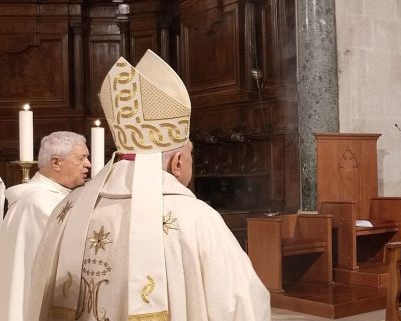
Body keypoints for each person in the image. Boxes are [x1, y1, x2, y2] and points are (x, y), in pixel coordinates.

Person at [27, 50, 270, 321]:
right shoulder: (197, 219)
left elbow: (37, 297)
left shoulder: (68, 209)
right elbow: (241, 305)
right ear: (177, 162)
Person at [0, 132, 90, 321]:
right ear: (56, 162)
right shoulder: (41, 203)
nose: (88, 164)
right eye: (81, 158)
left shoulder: (41, 199)